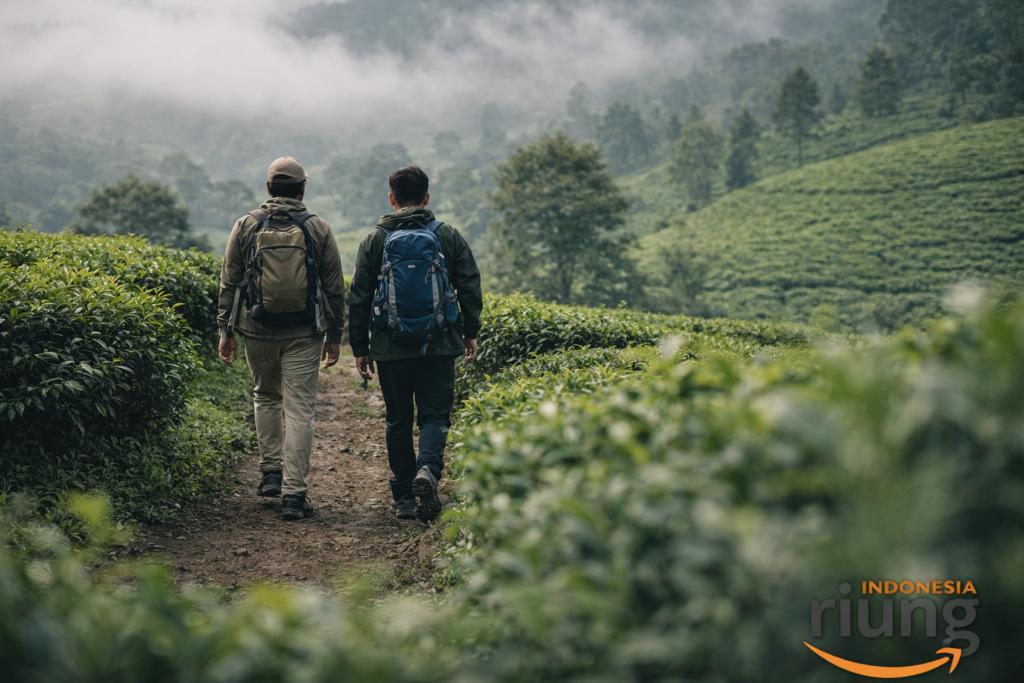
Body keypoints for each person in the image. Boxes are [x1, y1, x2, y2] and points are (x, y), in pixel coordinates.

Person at [348, 166, 482, 522]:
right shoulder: (447, 235)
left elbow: (359, 296)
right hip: (439, 344)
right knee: (435, 415)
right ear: (426, 198)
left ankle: (404, 496)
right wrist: (471, 330)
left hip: (390, 346)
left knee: (398, 419)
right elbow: (469, 282)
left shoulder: (375, 239)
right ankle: (429, 472)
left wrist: (360, 347)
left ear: (392, 199)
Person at [217, 156, 346, 521]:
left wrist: (226, 330)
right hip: (304, 332)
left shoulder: (246, 225)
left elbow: (230, 281)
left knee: (266, 396)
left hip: (255, 328)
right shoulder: (318, 228)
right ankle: (294, 494)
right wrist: (334, 335)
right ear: (303, 188)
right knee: (300, 409)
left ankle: (271, 472)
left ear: (269, 188)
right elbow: (334, 288)